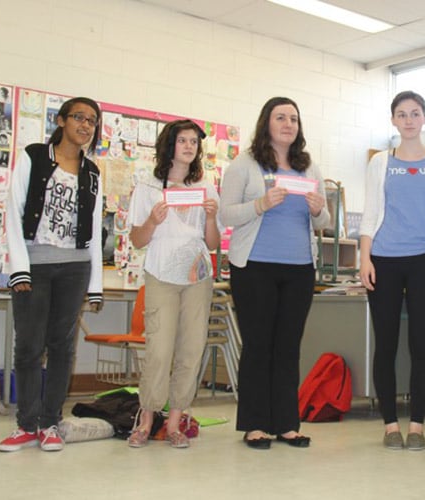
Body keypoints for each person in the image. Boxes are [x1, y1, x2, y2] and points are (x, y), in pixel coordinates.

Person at [220, 97, 329, 450]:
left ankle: (286, 424)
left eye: (293, 119)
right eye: (281, 117)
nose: (288, 124)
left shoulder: (309, 167)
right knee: (258, 345)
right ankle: (255, 424)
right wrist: (260, 204)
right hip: (255, 267)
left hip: (299, 269)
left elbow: (323, 221)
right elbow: (226, 214)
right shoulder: (245, 164)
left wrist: (318, 210)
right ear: (266, 122)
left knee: (288, 346)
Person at [0, 97, 103, 453]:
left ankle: (50, 423)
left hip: (75, 267)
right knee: (29, 346)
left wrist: (95, 286)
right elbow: (13, 211)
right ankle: (26, 424)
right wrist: (19, 269)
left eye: (91, 120)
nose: (85, 125)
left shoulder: (93, 172)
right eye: (78, 117)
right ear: (61, 121)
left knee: (61, 346)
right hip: (35, 265)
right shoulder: (33, 156)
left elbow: (94, 229)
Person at [360, 91, 425, 451]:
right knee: (385, 344)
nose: (408, 120)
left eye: (415, 113)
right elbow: (370, 213)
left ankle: (417, 425)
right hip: (384, 260)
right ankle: (390, 425)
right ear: (393, 120)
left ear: (424, 119)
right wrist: (364, 259)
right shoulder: (380, 162)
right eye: (401, 114)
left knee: (421, 345)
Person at [126, 119, 220, 449]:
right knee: (159, 348)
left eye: (194, 141)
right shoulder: (148, 186)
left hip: (197, 275)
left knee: (191, 349)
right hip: (161, 272)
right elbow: (137, 240)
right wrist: (153, 221)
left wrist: (211, 217)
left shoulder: (206, 187)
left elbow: (212, 243)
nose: (189, 146)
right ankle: (146, 420)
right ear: (169, 145)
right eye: (183, 140)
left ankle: (176, 422)